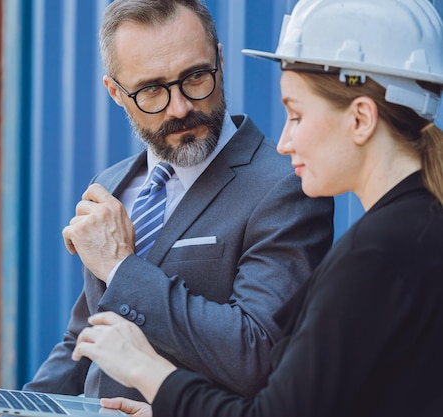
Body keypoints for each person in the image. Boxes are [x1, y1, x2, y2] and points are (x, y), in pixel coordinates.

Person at [71, 0, 443, 415]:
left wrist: (147, 368)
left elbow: (273, 398)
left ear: (361, 119)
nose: (284, 142)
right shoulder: (415, 230)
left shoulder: (372, 253)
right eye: (152, 89)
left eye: (296, 115)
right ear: (115, 92)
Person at [23, 0, 334, 402]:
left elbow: (258, 353)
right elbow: (86, 335)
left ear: (219, 61)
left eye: (196, 77)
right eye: (152, 89)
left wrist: (121, 268)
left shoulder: (285, 185)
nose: (181, 107)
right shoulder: (111, 184)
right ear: (115, 92)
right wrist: (26, 404)